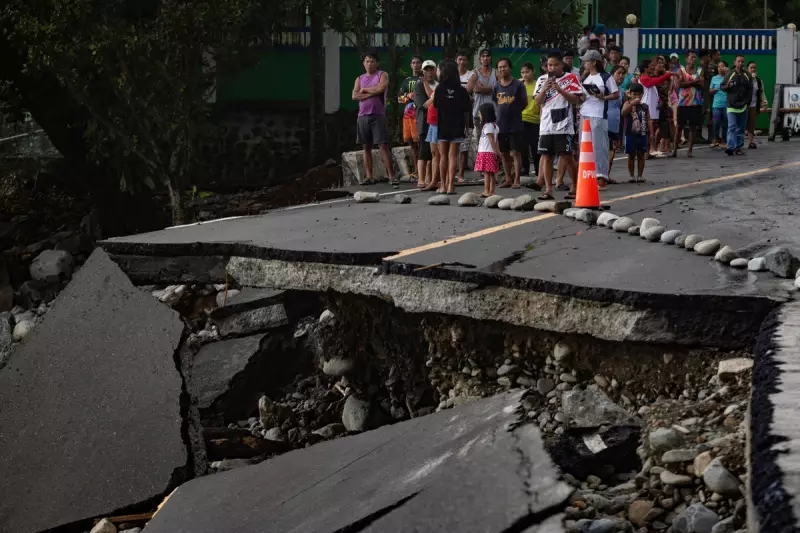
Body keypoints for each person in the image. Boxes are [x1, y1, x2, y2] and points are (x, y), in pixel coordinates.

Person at [534, 51, 583, 201]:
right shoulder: (542, 80)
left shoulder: (571, 78)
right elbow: (538, 102)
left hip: (564, 124)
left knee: (567, 157)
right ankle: (548, 189)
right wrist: (545, 89)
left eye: (555, 64)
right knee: (546, 156)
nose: (552, 67)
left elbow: (576, 100)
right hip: (546, 125)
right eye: (549, 65)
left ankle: (575, 186)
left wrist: (560, 90)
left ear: (562, 65)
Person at [352, 51, 396, 186]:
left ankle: (391, 176)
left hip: (378, 115)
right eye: (366, 61)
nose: (369, 63)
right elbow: (354, 95)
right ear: (363, 63)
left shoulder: (382, 75)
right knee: (366, 147)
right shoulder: (359, 78)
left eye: (372, 61)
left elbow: (381, 88)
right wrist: (370, 92)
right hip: (362, 116)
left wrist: (364, 90)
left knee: (382, 145)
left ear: (377, 63)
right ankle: (369, 176)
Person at [579, 50, 619, 187]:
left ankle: (601, 176)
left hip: (599, 114)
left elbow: (616, 94)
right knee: (585, 146)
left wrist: (603, 97)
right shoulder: (585, 78)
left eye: (586, 61)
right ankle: (587, 175)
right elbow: (582, 96)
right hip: (585, 114)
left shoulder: (606, 77)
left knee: (599, 146)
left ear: (594, 62)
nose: (584, 63)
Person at [434, 60, 471, 194]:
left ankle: (443, 186)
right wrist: (467, 127)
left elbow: (436, 105)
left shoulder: (439, 89)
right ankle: (451, 186)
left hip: (443, 124)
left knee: (443, 156)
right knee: (453, 156)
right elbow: (467, 110)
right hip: (457, 125)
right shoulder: (461, 90)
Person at [493, 57, 527, 189]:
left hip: (515, 124)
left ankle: (517, 180)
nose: (502, 69)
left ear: (510, 68)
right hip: (501, 125)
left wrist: (514, 112)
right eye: (500, 67)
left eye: (504, 66)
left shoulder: (518, 85)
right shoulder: (496, 86)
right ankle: (508, 178)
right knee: (504, 153)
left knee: (515, 153)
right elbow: (496, 103)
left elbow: (524, 103)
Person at [467, 49, 497, 172]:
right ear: (479, 59)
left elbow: (499, 88)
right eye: (483, 56)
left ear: (490, 58)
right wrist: (490, 88)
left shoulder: (496, 72)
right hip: (479, 114)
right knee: (481, 141)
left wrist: (482, 88)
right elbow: (471, 88)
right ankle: (482, 167)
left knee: (495, 141)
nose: (485, 58)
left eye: (487, 56)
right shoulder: (475, 73)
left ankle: (494, 165)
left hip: (494, 113)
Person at [639, 59, 677, 156]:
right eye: (651, 66)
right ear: (645, 68)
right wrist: (668, 74)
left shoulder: (648, 78)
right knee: (647, 131)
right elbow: (656, 81)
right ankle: (646, 151)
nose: (653, 67)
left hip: (652, 109)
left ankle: (648, 151)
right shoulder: (644, 78)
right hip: (646, 109)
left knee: (650, 131)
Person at [672, 50, 704, 158]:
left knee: (693, 127)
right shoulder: (680, 70)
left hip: (696, 102)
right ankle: (675, 149)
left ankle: (690, 150)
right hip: (683, 103)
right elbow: (679, 85)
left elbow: (702, 85)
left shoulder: (699, 70)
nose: (693, 59)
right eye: (691, 57)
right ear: (686, 59)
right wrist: (694, 82)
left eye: (695, 57)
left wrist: (688, 83)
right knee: (679, 127)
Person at [722, 54, 753, 156]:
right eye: (738, 61)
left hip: (743, 106)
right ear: (734, 62)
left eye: (742, 62)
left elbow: (750, 90)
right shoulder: (729, 74)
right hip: (731, 106)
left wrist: (747, 102)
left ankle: (738, 147)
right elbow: (722, 86)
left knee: (741, 128)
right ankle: (730, 147)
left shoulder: (747, 75)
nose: (740, 63)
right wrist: (728, 85)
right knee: (732, 126)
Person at [414, 60, 438, 188]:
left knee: (433, 151)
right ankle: (421, 179)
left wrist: (433, 101)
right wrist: (434, 99)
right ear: (422, 72)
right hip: (424, 121)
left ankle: (430, 177)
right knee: (423, 150)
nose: (429, 72)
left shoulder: (438, 85)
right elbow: (422, 105)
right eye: (426, 70)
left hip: (436, 121)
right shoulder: (418, 85)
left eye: (431, 69)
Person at [621, 83, 650, 183]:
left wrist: (651, 132)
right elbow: (623, 113)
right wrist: (632, 103)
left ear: (642, 95)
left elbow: (648, 119)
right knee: (631, 155)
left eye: (639, 94)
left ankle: (640, 175)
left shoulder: (645, 107)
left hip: (642, 133)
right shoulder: (627, 104)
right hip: (630, 134)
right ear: (630, 94)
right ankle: (631, 175)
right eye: (634, 94)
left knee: (641, 154)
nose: (637, 97)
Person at [398, 55, 422, 171]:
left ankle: (424, 170)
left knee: (421, 143)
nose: (416, 65)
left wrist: (415, 97)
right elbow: (399, 98)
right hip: (408, 115)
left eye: (418, 62)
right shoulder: (406, 81)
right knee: (412, 144)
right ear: (410, 65)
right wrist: (407, 97)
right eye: (413, 63)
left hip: (420, 114)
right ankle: (417, 170)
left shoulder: (424, 79)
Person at [474, 102, 501, 197]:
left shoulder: (487, 126)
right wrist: (497, 151)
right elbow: (496, 140)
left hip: (486, 152)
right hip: (490, 152)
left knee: (486, 173)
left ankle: (487, 190)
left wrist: (496, 151)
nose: (479, 115)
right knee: (492, 173)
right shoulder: (494, 126)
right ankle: (491, 191)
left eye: (480, 113)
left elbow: (492, 140)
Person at [520, 62, 541, 179]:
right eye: (522, 72)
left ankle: (539, 171)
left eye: (527, 72)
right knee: (523, 147)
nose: (525, 75)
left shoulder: (538, 84)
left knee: (535, 147)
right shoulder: (520, 85)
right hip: (522, 118)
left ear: (533, 72)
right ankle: (525, 170)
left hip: (535, 119)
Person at [424, 64, 443, 190]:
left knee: (439, 153)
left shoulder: (442, 87)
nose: (436, 72)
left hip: (438, 122)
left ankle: (438, 180)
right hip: (432, 122)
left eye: (437, 70)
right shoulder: (438, 87)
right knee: (433, 152)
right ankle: (433, 180)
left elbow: (433, 99)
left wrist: (431, 100)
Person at [456, 50, 473, 182]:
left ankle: (461, 175)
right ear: (456, 60)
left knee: (464, 146)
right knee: (452, 146)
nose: (462, 62)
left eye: (464, 59)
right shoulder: (451, 74)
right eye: (460, 59)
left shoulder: (471, 75)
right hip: (453, 115)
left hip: (468, 114)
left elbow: (469, 91)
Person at [607, 66, 626, 177]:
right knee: (607, 151)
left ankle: (606, 175)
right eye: (618, 73)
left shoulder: (621, 91)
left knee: (612, 151)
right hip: (606, 123)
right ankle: (602, 176)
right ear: (612, 74)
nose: (621, 76)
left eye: (623, 74)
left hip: (616, 124)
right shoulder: (607, 88)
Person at [746, 61, 768, 149]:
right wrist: (750, 79)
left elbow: (762, 93)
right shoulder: (745, 79)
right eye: (751, 68)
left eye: (754, 68)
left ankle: (751, 142)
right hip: (744, 104)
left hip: (754, 104)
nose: (753, 69)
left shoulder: (759, 81)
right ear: (747, 69)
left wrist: (764, 103)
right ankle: (737, 142)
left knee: (752, 124)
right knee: (742, 123)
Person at [709, 61, 729, 147]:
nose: (720, 68)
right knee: (715, 122)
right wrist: (714, 90)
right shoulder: (714, 78)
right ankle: (715, 139)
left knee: (725, 123)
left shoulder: (728, 77)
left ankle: (725, 141)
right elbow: (710, 90)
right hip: (716, 105)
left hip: (726, 105)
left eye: (722, 66)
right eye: (719, 67)